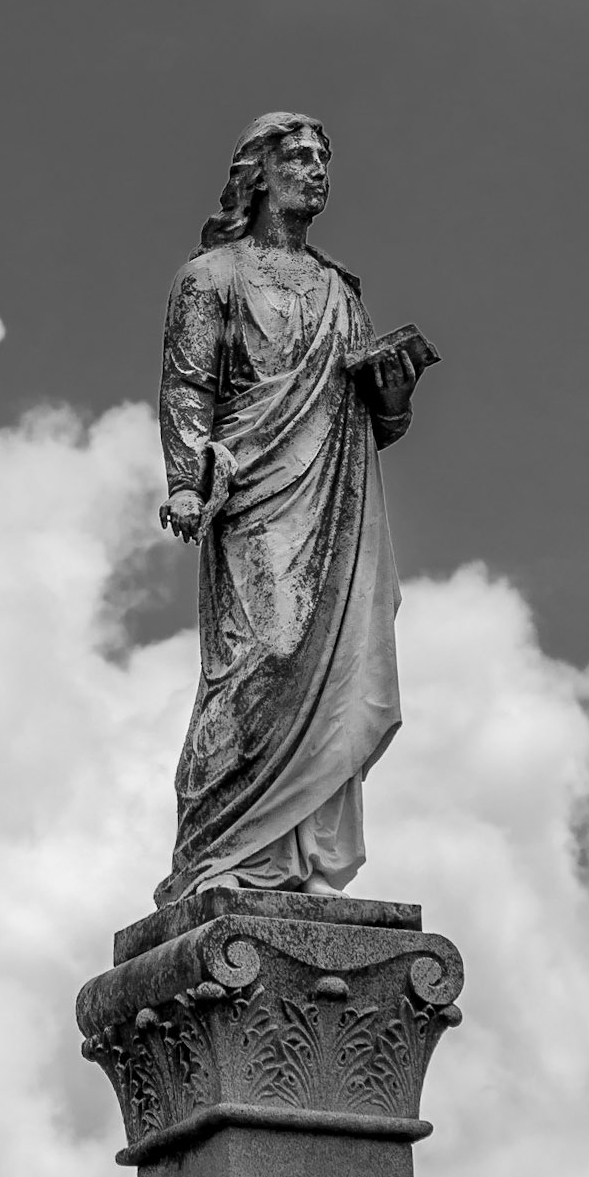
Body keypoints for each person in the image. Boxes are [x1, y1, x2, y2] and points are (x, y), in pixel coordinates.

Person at [155, 111, 423, 905]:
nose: (315, 170)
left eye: (321, 158)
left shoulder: (340, 291)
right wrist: (185, 482)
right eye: (298, 156)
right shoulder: (211, 277)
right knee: (261, 658)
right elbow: (187, 386)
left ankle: (294, 859)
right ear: (258, 173)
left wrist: (393, 396)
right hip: (254, 491)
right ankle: (212, 853)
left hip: (334, 500)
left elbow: (374, 421)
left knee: (330, 667)